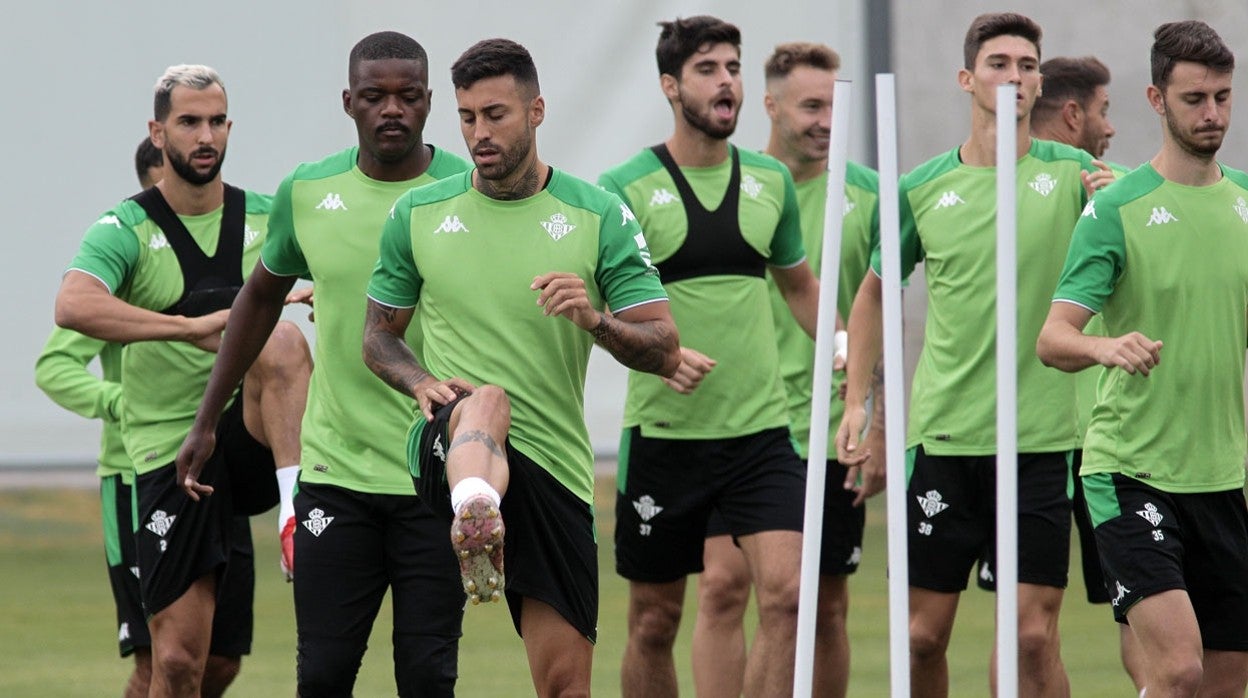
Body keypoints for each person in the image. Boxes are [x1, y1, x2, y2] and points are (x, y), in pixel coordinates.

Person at [362, 37, 679, 696]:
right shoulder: (417, 213)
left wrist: (595, 319)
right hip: (449, 436)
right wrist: (420, 381)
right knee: (489, 399)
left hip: (556, 468)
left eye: (496, 114)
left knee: (566, 685)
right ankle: (473, 507)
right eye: (468, 116)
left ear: (536, 111)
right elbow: (377, 337)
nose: (480, 131)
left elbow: (663, 348)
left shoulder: (598, 214)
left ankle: (484, 516)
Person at [176, 32, 472, 696]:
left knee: (428, 676)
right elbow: (258, 301)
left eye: (408, 96)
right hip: (336, 475)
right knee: (325, 673)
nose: (391, 110)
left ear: (429, 101)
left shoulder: (468, 187)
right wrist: (205, 421)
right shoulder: (309, 192)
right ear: (349, 102)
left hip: (435, 474)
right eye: (374, 96)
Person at [836, 13, 1102, 697]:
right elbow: (873, 294)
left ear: (1039, 80)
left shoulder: (1075, 176)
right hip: (945, 436)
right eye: (998, 62)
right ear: (967, 78)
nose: (1014, 74)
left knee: (1030, 636)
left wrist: (1115, 206)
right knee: (922, 638)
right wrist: (858, 401)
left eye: (1026, 63)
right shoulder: (923, 188)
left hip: (1041, 438)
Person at [54, 64, 311, 698]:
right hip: (168, 453)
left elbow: (352, 271)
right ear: (158, 130)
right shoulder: (126, 228)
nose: (205, 136)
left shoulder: (270, 217)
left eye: (216, 122)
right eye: (189, 122)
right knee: (180, 664)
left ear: (230, 128)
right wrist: (185, 327)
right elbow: (73, 306)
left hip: (245, 440)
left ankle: (297, 511)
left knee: (279, 334)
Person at [600, 16, 827, 697]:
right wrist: (661, 358)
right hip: (666, 438)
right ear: (671, 86)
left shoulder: (771, 182)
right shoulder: (625, 188)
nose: (726, 80)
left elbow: (800, 288)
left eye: (732, 66)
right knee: (652, 623)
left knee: (787, 598)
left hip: (761, 435)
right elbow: (600, 316)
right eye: (707, 68)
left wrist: (853, 356)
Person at [1037, 20, 1248, 697]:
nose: (1212, 113)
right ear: (1157, 101)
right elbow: (1054, 337)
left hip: (1219, 476)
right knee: (1178, 669)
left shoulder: (1246, 201)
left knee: (1225, 682)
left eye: (1222, 96)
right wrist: (1106, 344)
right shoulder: (1114, 211)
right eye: (1194, 99)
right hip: (1130, 472)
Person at [689, 41, 881, 698]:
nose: (826, 120)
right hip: (743, 425)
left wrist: (872, 414)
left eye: (834, 105)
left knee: (821, 607)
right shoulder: (732, 185)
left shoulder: (870, 196)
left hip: (831, 429)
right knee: (720, 588)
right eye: (810, 106)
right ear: (769, 105)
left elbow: (880, 315)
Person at [35, 137, 254, 698]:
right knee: (159, 661)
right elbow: (54, 366)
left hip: (212, 466)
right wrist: (120, 403)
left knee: (222, 660)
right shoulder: (122, 266)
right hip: (137, 473)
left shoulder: (233, 247)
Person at [1029, 54, 1145, 694]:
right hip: (1048, 437)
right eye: (1104, 112)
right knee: (1030, 628)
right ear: (1074, 114)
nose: (1110, 128)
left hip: (1106, 438)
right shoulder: (998, 193)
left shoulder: (1121, 192)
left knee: (1141, 612)